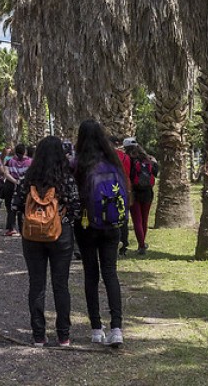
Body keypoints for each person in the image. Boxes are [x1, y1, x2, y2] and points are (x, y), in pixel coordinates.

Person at [11, 136, 80, 347]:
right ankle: (63, 335)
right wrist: (63, 219)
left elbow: (15, 205)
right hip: (61, 235)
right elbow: (76, 207)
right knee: (61, 284)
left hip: (32, 237)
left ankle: (38, 335)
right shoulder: (66, 178)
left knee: (36, 284)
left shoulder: (28, 179)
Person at [77, 121, 132, 347]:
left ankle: (96, 328)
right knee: (110, 273)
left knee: (91, 274)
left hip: (86, 225)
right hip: (112, 224)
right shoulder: (114, 161)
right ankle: (117, 328)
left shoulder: (79, 163)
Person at [124, 138, 157, 255]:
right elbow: (155, 173)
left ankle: (142, 245)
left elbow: (127, 175)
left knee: (137, 220)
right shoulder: (148, 159)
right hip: (148, 192)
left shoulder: (128, 159)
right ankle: (142, 244)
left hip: (134, 192)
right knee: (144, 219)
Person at [2, 143, 31, 236]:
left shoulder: (9, 161)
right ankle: (23, 228)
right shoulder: (30, 161)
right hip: (24, 186)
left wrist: (15, 181)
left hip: (10, 185)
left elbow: (6, 173)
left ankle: (12, 228)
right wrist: (21, 182)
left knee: (10, 207)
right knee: (23, 206)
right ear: (25, 151)